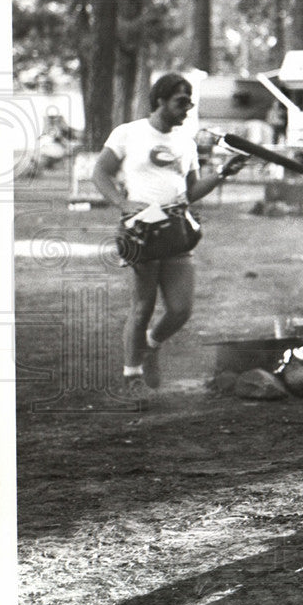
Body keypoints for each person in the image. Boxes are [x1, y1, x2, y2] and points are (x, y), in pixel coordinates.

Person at [93, 73, 249, 396]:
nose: (187, 109)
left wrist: (222, 173)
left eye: (190, 102)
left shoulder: (185, 143)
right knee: (142, 307)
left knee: (181, 309)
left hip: (177, 228)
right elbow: (100, 173)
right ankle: (132, 375)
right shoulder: (128, 134)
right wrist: (122, 204)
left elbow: (190, 191)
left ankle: (151, 344)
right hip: (142, 229)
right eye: (181, 102)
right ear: (160, 100)